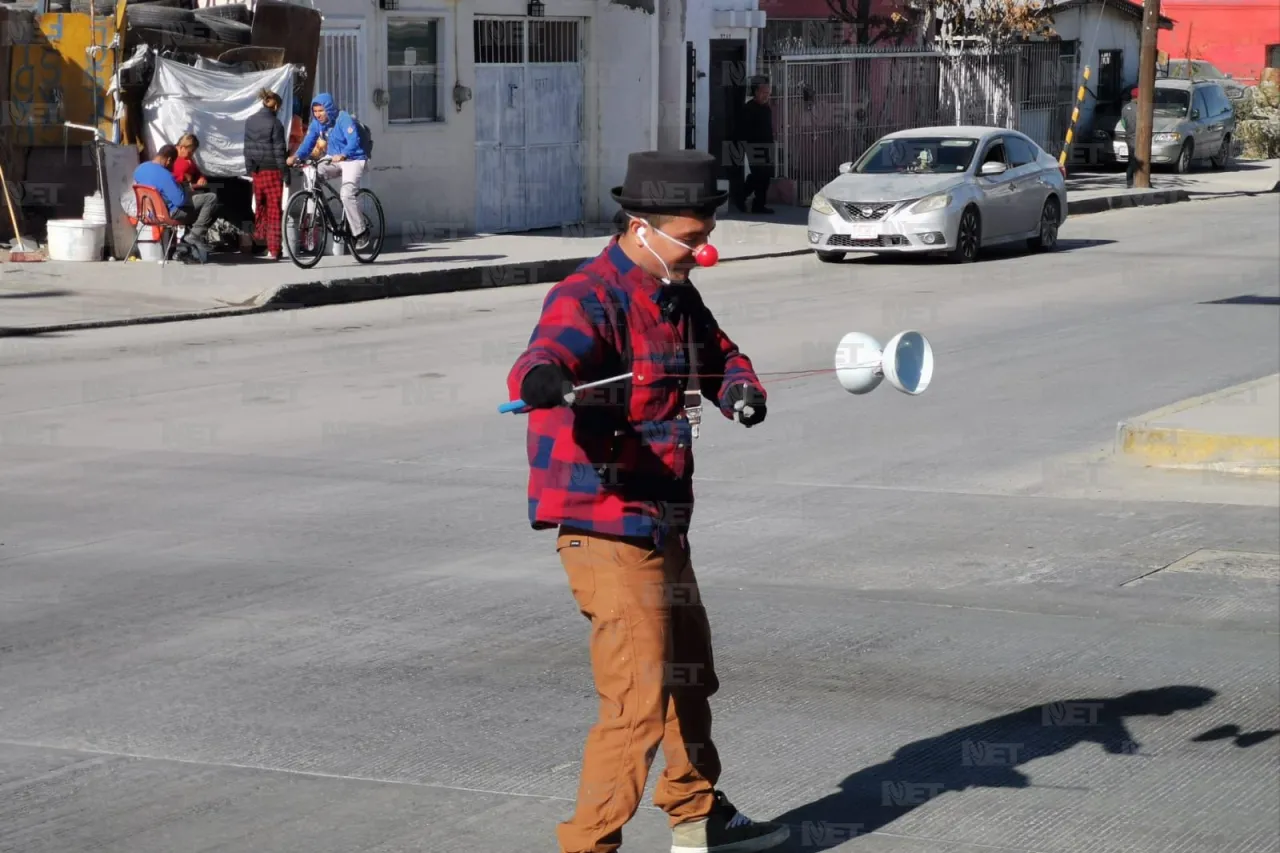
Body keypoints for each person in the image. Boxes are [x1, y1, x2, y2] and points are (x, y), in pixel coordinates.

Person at [505, 150, 788, 853]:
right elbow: (544, 355)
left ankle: (696, 816)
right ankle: (588, 846)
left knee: (690, 676)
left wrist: (740, 392)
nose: (703, 251)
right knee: (637, 702)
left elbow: (723, 357)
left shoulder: (677, 293)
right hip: (605, 522)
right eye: (692, 239)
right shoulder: (589, 295)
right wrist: (544, 379)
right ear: (640, 227)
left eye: (705, 235)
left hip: (663, 520)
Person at [286, 92, 370, 249]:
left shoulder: (343, 119)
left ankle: (361, 232)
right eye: (315, 111)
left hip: (354, 158)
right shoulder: (317, 124)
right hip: (334, 158)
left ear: (329, 109)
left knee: (346, 194)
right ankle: (317, 211)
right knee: (313, 172)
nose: (318, 114)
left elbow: (354, 140)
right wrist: (296, 157)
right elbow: (308, 143)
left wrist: (344, 154)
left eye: (321, 110)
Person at [132, 144, 217, 250]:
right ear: (169, 160)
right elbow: (180, 201)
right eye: (173, 163)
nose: (172, 167)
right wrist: (185, 189)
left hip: (148, 213)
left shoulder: (140, 169)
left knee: (203, 207)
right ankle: (193, 237)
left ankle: (186, 245)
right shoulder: (166, 175)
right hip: (169, 214)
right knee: (211, 200)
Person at [244, 87, 289, 260]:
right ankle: (274, 250)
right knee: (274, 210)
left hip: (257, 171)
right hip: (272, 170)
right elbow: (279, 151)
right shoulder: (276, 124)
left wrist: (249, 169)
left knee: (260, 208)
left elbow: (247, 147)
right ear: (276, 106)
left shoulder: (250, 121)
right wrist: (285, 172)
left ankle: (261, 242)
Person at [730, 76, 776, 215]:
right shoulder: (749, 109)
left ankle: (758, 204)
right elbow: (744, 130)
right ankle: (741, 197)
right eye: (763, 92)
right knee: (758, 175)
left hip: (767, 147)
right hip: (754, 148)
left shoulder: (766, 109)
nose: (766, 95)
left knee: (765, 177)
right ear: (755, 91)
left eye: (768, 93)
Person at [1120, 87, 1142, 188]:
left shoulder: (1125, 108)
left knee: (1131, 160)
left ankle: (1129, 181)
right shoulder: (1141, 109)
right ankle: (1137, 180)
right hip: (1139, 138)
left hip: (1129, 137)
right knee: (1139, 160)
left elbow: (1123, 123)